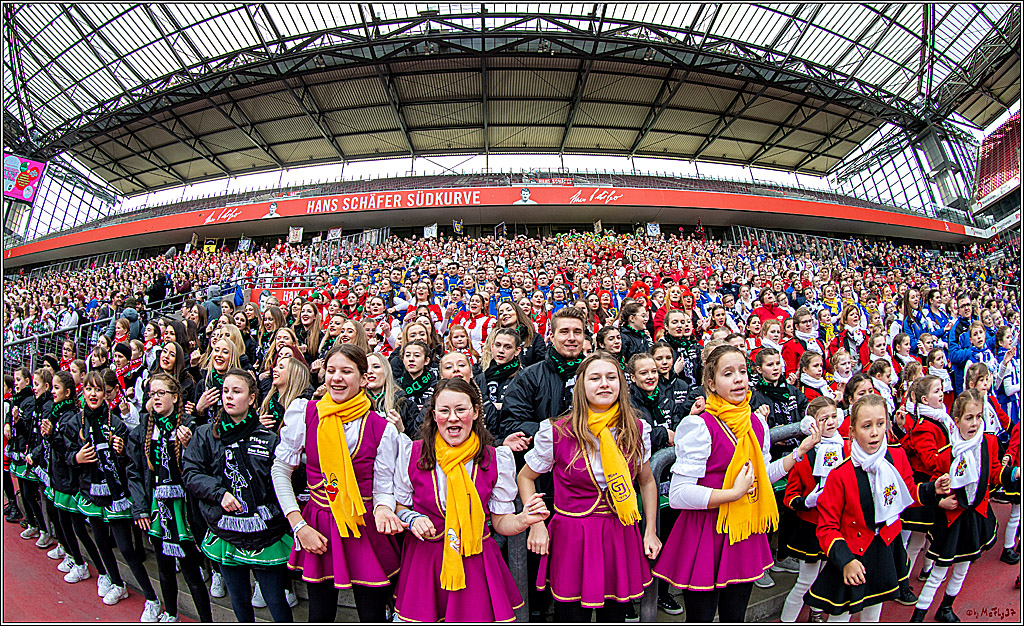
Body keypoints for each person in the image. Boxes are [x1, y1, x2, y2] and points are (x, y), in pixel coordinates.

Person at [653, 345, 820, 622]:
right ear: (711, 383)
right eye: (728, 373)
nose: (739, 379)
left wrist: (797, 454)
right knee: (701, 618)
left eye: (742, 371)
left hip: (743, 530)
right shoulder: (698, 427)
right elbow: (678, 495)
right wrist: (731, 493)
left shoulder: (756, 423)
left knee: (735, 616)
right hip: (707, 530)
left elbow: (761, 476)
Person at [392, 377, 549, 621]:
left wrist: (523, 520)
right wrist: (412, 519)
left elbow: (501, 523)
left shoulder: (494, 458)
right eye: (444, 410)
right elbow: (400, 507)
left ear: (475, 412)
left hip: (476, 560)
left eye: (461, 409)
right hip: (426, 560)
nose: (452, 417)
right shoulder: (412, 454)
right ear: (434, 415)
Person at [519, 352, 661, 622]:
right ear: (581, 386)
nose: (604, 384)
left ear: (622, 383)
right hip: (572, 537)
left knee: (615, 614)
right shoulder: (556, 431)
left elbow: (647, 481)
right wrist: (536, 522)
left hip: (620, 533)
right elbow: (525, 478)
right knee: (571, 615)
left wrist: (650, 531)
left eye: (611, 377)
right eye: (595, 378)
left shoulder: (637, 429)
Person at [270, 345, 402, 621]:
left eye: (346, 371)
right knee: (319, 614)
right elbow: (281, 469)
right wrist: (298, 526)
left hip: (364, 528)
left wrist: (383, 508)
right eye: (331, 371)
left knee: (372, 614)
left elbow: (383, 489)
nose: (336, 378)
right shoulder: (305, 413)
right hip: (318, 526)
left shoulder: (382, 428)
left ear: (364, 379)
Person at [804, 395, 948, 622]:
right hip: (852, 553)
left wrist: (932, 489)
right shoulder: (839, 474)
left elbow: (907, 492)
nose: (874, 432)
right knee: (840, 616)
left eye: (880, 424)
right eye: (866, 426)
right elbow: (827, 527)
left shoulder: (897, 456)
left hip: (885, 547)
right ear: (852, 431)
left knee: (874, 611)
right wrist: (846, 561)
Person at [182, 368, 294, 622]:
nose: (229, 397)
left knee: (276, 600)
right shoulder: (205, 434)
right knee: (239, 600)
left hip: (265, 534)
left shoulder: (269, 439)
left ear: (252, 398)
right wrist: (219, 494)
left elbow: (283, 484)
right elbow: (191, 473)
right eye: (225, 391)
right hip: (226, 532)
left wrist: (271, 515)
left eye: (237, 391)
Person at [71, 370, 162, 619]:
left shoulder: (117, 424)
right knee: (101, 542)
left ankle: (152, 599)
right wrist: (75, 458)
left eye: (98, 390)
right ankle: (116, 583)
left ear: (106, 394)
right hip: (91, 492)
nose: (93, 394)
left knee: (126, 548)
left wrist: (120, 454)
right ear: (83, 391)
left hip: (116, 496)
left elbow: (130, 465)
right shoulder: (75, 422)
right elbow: (66, 454)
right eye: (89, 389)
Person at [125, 372, 212, 623]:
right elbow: (134, 470)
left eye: (161, 393)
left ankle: (206, 619)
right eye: (152, 394)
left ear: (175, 397)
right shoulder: (144, 428)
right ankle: (170, 613)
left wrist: (189, 448)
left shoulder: (189, 425)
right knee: (163, 568)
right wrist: (140, 508)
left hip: (184, 509)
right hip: (157, 507)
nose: (156, 398)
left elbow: (204, 467)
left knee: (191, 571)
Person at [910, 389, 1003, 622]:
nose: (974, 423)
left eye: (979, 417)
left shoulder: (989, 443)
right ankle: (918, 616)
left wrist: (1012, 473)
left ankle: (946, 608)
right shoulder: (947, 455)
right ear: (957, 420)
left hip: (975, 516)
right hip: (952, 520)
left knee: (963, 567)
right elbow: (933, 484)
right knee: (938, 572)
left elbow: (993, 474)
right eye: (969, 418)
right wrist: (941, 501)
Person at [780, 396, 844, 622]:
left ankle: (815, 613)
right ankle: (787, 619)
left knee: (827, 576)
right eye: (823, 418)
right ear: (812, 422)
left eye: (834, 417)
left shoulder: (847, 448)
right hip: (812, 526)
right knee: (806, 580)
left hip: (838, 525)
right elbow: (789, 496)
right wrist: (807, 501)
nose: (830, 422)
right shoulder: (805, 454)